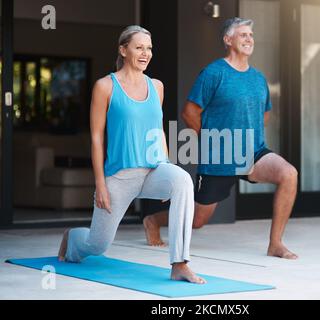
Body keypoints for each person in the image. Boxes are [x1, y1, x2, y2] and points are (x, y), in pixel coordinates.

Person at [57, 25, 206, 284]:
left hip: (153, 170)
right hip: (120, 176)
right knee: (97, 245)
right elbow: (96, 138)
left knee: (182, 179)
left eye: (149, 48)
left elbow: (157, 129)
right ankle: (73, 238)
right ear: (123, 50)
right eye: (139, 47)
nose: (145, 53)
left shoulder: (157, 86)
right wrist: (100, 184)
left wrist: (166, 167)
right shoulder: (105, 86)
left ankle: (180, 263)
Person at [143, 18, 298, 259]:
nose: (249, 39)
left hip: (253, 152)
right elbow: (190, 112)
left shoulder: (258, 78)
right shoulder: (214, 73)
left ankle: (275, 243)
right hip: (219, 156)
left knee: (288, 174)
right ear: (228, 40)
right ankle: (153, 219)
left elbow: (265, 113)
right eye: (243, 34)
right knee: (197, 220)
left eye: (251, 35)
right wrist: (213, 142)